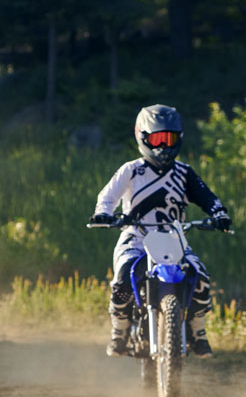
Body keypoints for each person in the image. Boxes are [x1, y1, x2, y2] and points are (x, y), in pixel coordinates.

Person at [89, 104, 231, 358]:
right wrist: (104, 214)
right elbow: (108, 196)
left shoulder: (184, 173)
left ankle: (198, 331)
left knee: (201, 277)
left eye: (170, 139)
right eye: (157, 139)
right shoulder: (132, 170)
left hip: (174, 239)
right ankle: (119, 331)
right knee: (122, 280)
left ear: (179, 139)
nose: (164, 146)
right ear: (142, 137)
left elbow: (207, 197)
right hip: (135, 237)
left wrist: (219, 214)